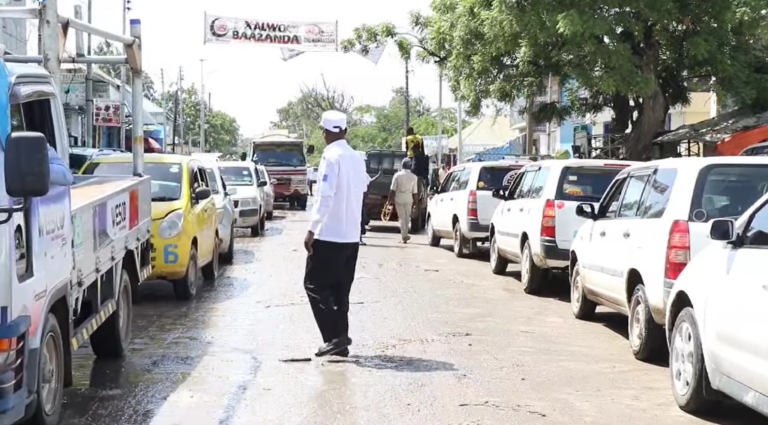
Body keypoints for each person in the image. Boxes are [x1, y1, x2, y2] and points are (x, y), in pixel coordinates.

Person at [303, 110, 368, 358]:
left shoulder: (331, 157)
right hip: (351, 236)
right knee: (341, 290)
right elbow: (362, 188)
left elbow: (325, 195)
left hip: (329, 235)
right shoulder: (356, 158)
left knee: (314, 285)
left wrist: (312, 229)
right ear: (345, 132)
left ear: (325, 133)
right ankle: (340, 340)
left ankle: (334, 337)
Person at [387, 158, 418, 243]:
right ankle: (405, 235)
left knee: (401, 217)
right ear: (410, 166)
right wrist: (416, 204)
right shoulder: (414, 177)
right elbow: (415, 192)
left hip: (399, 198)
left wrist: (389, 200)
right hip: (409, 198)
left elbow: (392, 189)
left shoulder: (397, 175)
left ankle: (404, 235)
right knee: (407, 218)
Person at [360, 166, 382, 245]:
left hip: (359, 198)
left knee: (361, 218)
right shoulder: (361, 173)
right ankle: (359, 238)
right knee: (360, 218)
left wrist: (378, 175)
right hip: (359, 198)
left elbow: (370, 181)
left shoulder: (362, 173)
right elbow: (370, 182)